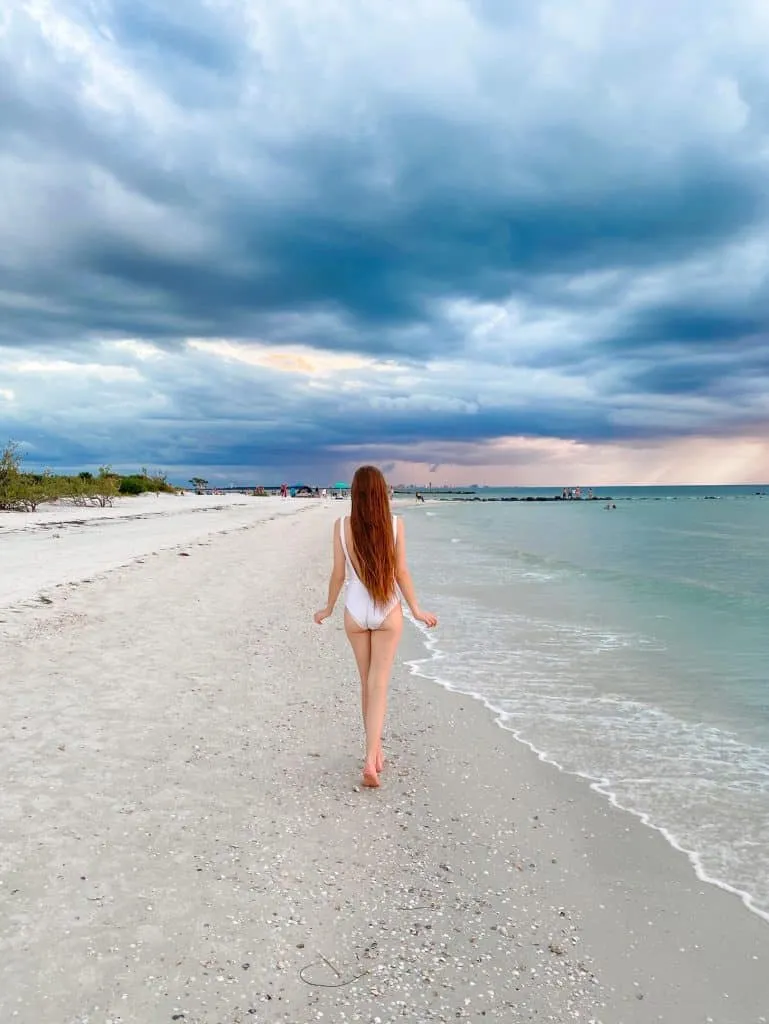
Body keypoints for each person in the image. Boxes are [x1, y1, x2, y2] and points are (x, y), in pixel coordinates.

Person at [314, 465, 438, 789]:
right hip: (387, 610)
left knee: (366, 683)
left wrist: (327, 607)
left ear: (354, 493)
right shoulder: (395, 525)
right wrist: (416, 609)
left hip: (354, 612)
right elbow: (401, 573)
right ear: (383, 493)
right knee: (379, 683)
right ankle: (371, 758)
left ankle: (374, 750)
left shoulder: (341, 527)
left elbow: (338, 574)